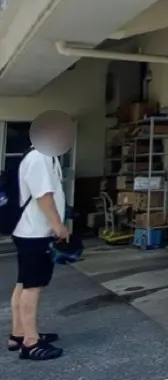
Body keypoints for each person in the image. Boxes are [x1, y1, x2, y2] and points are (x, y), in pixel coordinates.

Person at [9, 146, 68, 361]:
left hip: (30, 231)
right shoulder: (40, 157)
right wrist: (58, 225)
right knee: (33, 287)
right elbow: (43, 195)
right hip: (35, 233)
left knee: (24, 283)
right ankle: (31, 343)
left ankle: (19, 333)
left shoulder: (45, 157)